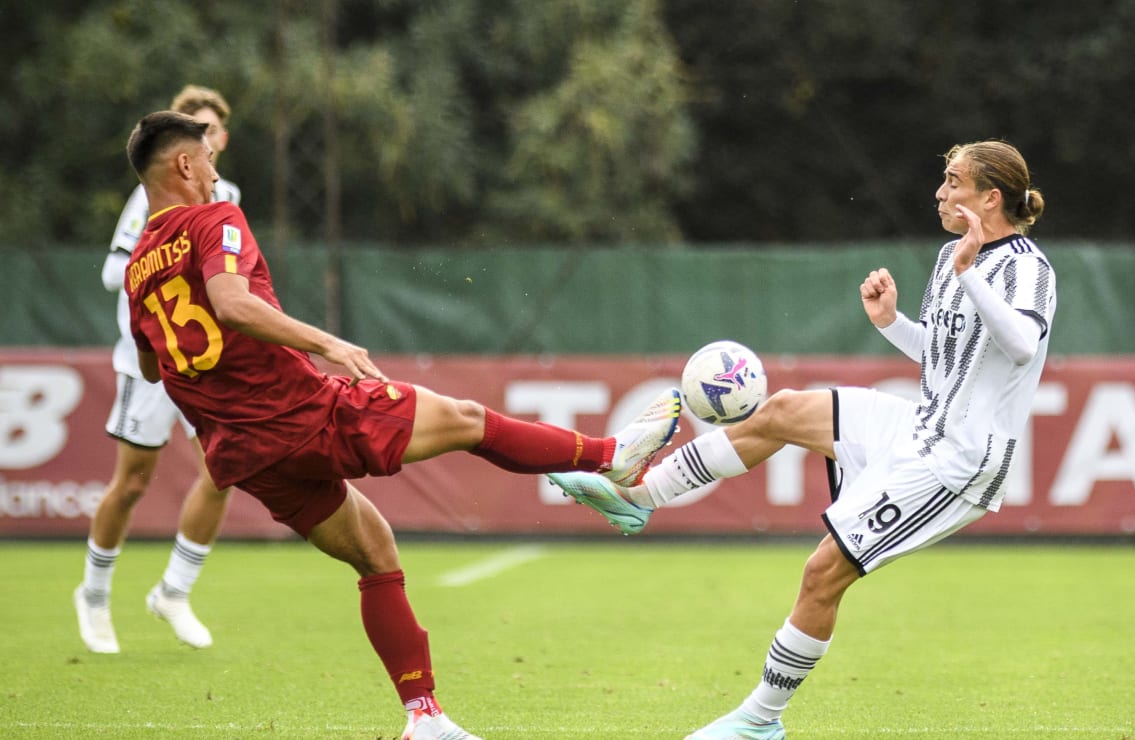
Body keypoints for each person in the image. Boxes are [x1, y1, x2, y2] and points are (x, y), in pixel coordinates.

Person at [118, 109, 682, 740]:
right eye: (211, 161)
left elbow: (149, 365)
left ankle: (424, 717)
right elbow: (230, 303)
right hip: (302, 411)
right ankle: (614, 456)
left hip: (247, 455)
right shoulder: (213, 218)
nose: (216, 173)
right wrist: (326, 343)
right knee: (469, 420)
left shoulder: (139, 266)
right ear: (186, 164)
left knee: (376, 554)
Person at [550, 140, 1056, 739]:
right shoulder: (953, 255)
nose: (940, 193)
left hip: (958, 462)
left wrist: (970, 272)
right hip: (920, 426)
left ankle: (761, 722)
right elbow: (946, 360)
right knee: (785, 409)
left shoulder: (1027, 268)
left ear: (989, 197)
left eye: (952, 182)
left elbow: (1023, 346)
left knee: (823, 573)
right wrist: (892, 323)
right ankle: (639, 498)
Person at [75, 85, 244, 654]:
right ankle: (93, 596)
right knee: (132, 485)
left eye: (214, 128)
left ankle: (174, 589)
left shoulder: (228, 197)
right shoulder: (150, 198)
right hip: (146, 362)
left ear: (221, 138)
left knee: (223, 472)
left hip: (202, 366)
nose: (207, 139)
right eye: (197, 127)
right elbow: (113, 273)